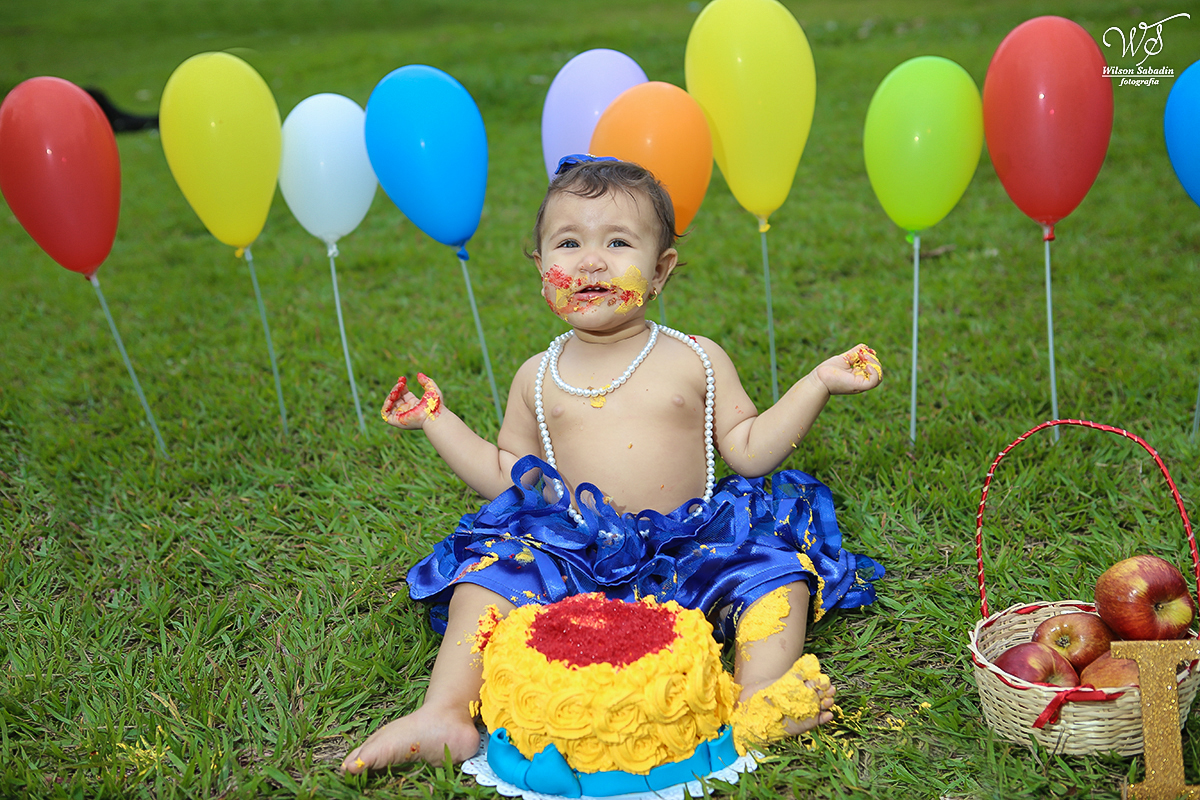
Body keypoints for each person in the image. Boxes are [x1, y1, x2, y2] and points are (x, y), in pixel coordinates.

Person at [342, 156, 884, 773]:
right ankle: (446, 712)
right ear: (541, 269)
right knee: (484, 578)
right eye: (568, 243)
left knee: (776, 574)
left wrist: (816, 383)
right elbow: (510, 478)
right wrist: (437, 419)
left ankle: (760, 693)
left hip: (694, 545)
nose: (590, 261)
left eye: (617, 242)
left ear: (660, 271)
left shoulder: (696, 358)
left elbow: (750, 448)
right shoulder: (537, 377)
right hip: (577, 551)